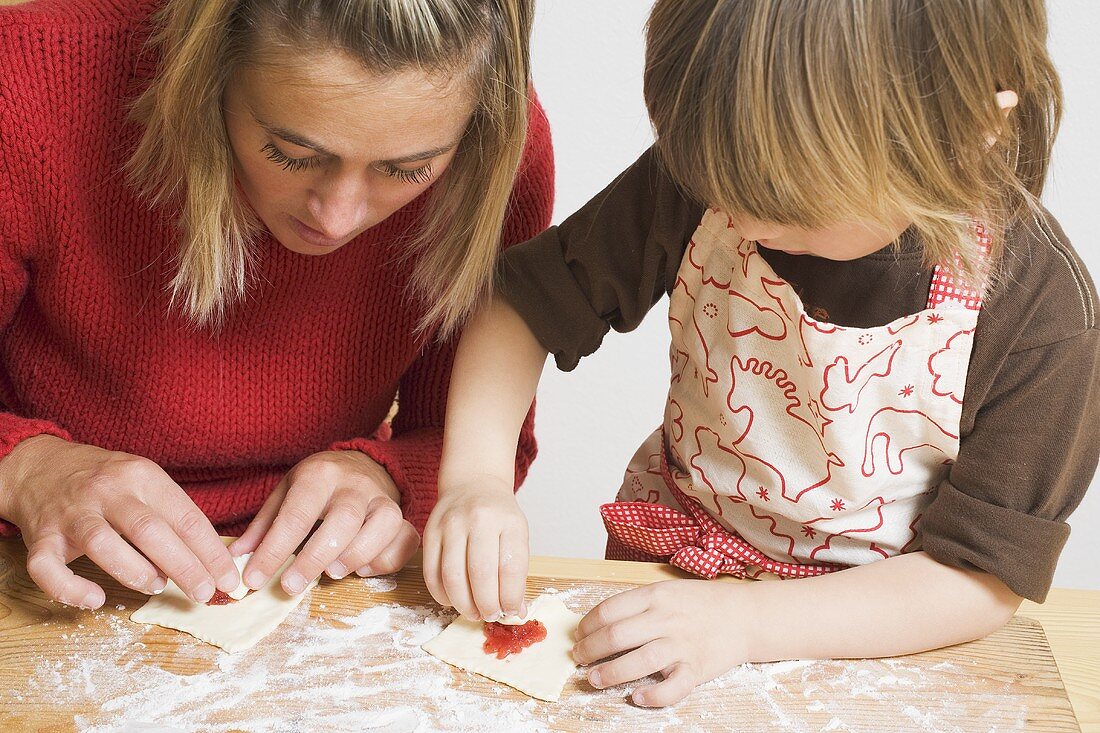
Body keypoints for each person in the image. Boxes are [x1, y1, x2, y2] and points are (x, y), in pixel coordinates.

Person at [425, 0, 1098, 708]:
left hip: (872, 639)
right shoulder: (721, 174)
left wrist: (744, 623)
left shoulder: (1044, 320)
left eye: (793, 205)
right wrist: (475, 478)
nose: (740, 219)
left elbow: (980, 578)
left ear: (967, 134)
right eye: (722, 189)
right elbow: (522, 306)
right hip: (671, 581)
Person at [0, 0, 552, 611]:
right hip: (39, 566)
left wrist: (384, 475)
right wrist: (27, 470)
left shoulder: (498, 147)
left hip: (315, 580)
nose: (337, 217)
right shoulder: (28, 83)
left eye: (408, 170)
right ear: (210, 64)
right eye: (292, 153)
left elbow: (473, 445)